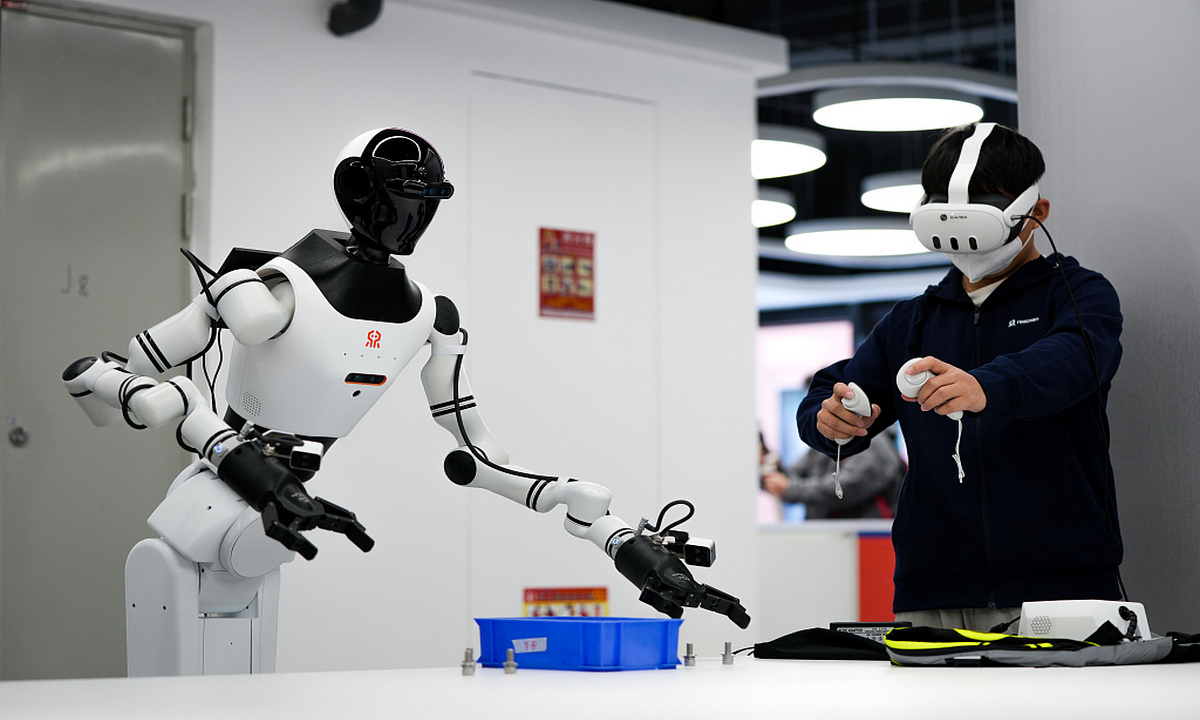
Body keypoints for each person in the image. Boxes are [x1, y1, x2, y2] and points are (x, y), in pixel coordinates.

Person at [795, 122, 1124, 632]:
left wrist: (987, 385)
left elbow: (1075, 358)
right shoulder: (912, 321)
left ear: (1037, 212)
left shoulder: (1078, 295)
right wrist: (829, 420)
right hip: (932, 588)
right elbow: (833, 390)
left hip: (1059, 587)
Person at [764, 424, 905, 519]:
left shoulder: (874, 443)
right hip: (828, 537)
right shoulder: (829, 439)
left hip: (863, 540)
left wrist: (790, 489)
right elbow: (792, 476)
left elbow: (846, 488)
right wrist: (770, 467)